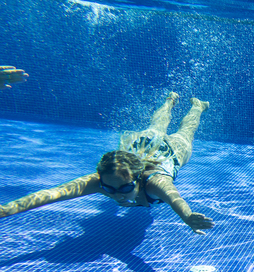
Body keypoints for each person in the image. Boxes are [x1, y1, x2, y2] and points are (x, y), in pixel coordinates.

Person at [0, 92, 214, 234]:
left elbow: (175, 198)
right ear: (101, 180)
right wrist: (7, 209)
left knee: (185, 133)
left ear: (137, 179)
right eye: (108, 189)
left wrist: (187, 216)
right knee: (156, 126)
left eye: (125, 188)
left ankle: (196, 106)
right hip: (142, 145)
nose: (117, 195)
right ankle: (169, 101)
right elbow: (53, 194)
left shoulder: (155, 182)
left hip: (170, 154)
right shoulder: (100, 181)